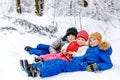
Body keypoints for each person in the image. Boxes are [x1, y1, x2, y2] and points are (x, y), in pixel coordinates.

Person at [20, 32, 113, 78]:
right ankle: (32, 66)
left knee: (61, 65)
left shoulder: (102, 50)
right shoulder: (90, 48)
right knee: (56, 61)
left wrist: (96, 66)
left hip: (83, 66)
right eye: (91, 39)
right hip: (76, 62)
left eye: (94, 39)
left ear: (99, 41)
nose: (92, 41)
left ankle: (39, 71)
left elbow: (109, 64)